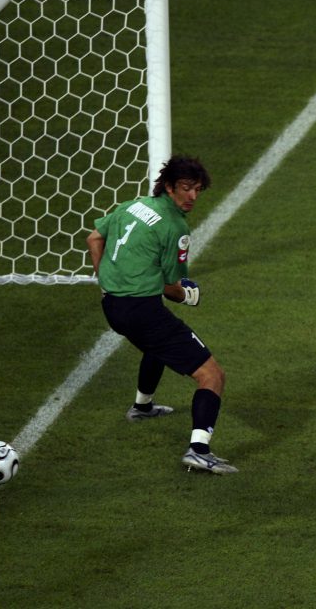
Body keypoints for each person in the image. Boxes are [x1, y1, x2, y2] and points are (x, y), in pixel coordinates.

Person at [85, 156, 237, 475]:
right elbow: (171, 285)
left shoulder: (132, 205)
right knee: (212, 376)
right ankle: (198, 450)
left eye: (197, 190)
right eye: (185, 188)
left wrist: (106, 281)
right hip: (141, 310)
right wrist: (189, 295)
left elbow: (94, 239)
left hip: (113, 306)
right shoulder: (174, 227)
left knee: (156, 345)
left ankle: (142, 407)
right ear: (168, 186)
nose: (192, 197)